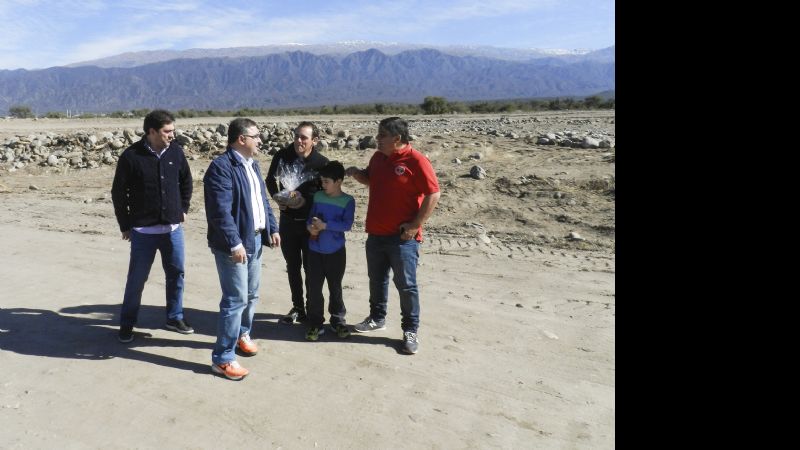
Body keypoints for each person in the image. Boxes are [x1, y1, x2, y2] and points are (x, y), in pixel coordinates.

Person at [345, 117, 440, 354]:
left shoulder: (416, 160)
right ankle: (377, 318)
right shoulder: (378, 158)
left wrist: (415, 224)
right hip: (375, 234)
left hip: (402, 238)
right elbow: (371, 179)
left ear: (397, 138)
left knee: (406, 286)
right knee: (376, 280)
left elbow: (433, 194)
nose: (377, 139)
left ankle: (410, 330)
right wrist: (357, 174)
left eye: (381, 135)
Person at [204, 118, 280, 380]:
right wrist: (234, 242)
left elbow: (261, 201)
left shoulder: (252, 164)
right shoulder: (221, 167)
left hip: (255, 239)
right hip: (233, 245)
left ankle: (242, 335)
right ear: (241, 139)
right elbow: (219, 212)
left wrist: (272, 227)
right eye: (256, 136)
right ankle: (223, 359)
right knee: (235, 300)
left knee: (251, 294)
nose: (260, 140)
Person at [111, 109, 193, 343]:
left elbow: (186, 181)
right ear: (152, 131)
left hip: (173, 231)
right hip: (143, 233)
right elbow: (119, 193)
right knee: (137, 280)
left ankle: (174, 317)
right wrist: (124, 224)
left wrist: (183, 208)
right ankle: (127, 323)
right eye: (167, 131)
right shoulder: (131, 156)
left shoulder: (176, 152)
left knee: (176, 275)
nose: (172, 135)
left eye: (173, 130)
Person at [265, 121, 329, 325]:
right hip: (288, 223)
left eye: (304, 137)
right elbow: (269, 179)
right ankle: (298, 307)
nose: (298, 140)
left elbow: (327, 193)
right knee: (292, 266)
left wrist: (303, 201)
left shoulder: (321, 163)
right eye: (296, 136)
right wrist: (279, 199)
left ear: (314, 141)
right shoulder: (283, 155)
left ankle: (312, 309)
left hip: (310, 225)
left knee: (311, 268)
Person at [304, 161, 355, 341]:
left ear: (339, 181)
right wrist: (311, 227)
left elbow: (347, 225)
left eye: (326, 182)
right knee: (314, 288)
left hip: (335, 252)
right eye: (322, 181)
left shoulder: (348, 201)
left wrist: (326, 226)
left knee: (335, 287)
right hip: (315, 251)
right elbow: (310, 217)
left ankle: (338, 320)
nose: (322, 185)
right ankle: (316, 323)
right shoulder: (318, 196)